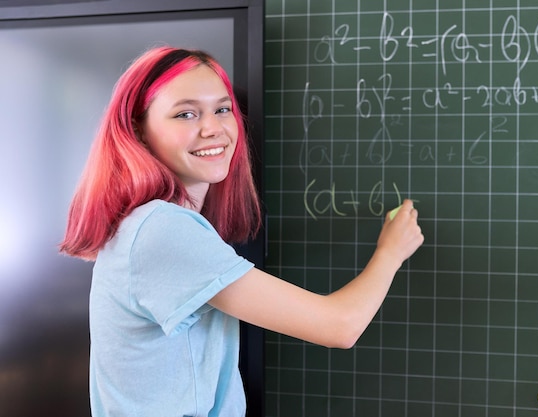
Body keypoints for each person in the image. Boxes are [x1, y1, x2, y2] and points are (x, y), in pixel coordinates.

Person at [60, 46, 424, 417]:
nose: (213, 128)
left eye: (222, 109)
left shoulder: (154, 225)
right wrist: (390, 252)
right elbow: (339, 326)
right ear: (138, 129)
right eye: (186, 114)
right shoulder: (161, 231)